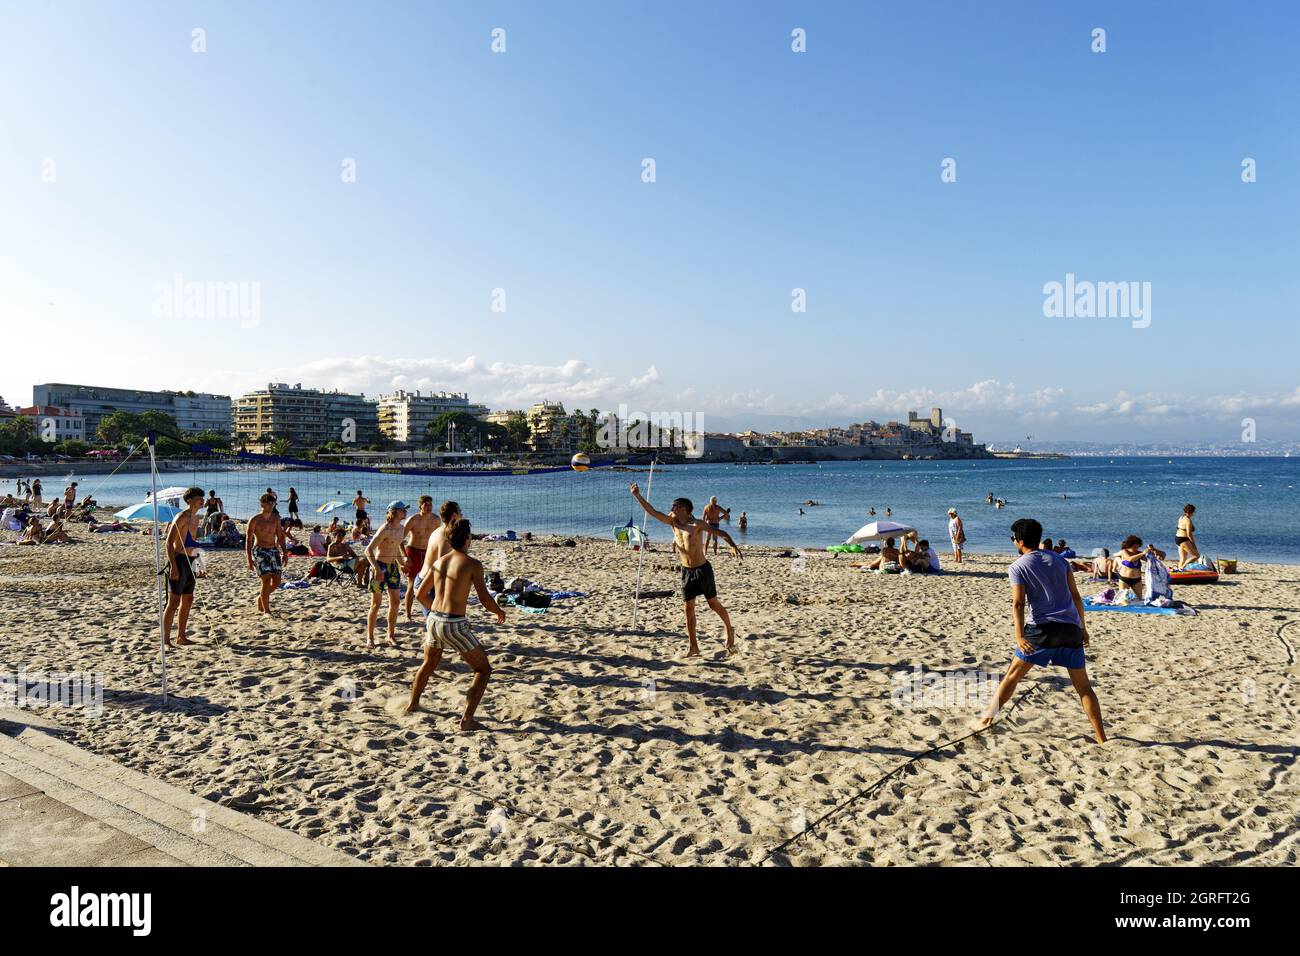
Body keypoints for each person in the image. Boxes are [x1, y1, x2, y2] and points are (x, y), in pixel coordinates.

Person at [981, 517, 1106, 744]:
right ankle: (1101, 737)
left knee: (1012, 676)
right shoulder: (1060, 561)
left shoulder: (1017, 566)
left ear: (1019, 541)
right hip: (1071, 629)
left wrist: (1019, 636)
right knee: (1084, 687)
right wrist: (1082, 627)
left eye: (1013, 539)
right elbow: (1076, 596)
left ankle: (986, 720)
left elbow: (1018, 604)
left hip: (1042, 630)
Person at [405, 518, 504, 731]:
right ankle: (467, 720)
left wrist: (437, 611)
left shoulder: (439, 562)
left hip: (433, 621)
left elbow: (419, 594)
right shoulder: (473, 564)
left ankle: (412, 704)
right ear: (468, 539)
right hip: (454, 624)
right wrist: (499, 611)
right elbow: (485, 599)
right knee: (483, 670)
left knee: (428, 664)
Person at [631, 482, 741, 657]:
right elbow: (651, 511)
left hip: (703, 570)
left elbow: (721, 533)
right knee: (688, 609)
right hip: (686, 571)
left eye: (676, 506)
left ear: (685, 509)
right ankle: (693, 647)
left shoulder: (697, 524)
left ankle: (729, 628)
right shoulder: (672, 522)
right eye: (673, 505)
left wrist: (733, 546)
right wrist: (637, 495)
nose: (672, 507)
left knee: (713, 605)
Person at [162, 487, 205, 647]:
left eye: (203, 497)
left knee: (188, 599)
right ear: (190, 501)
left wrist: (199, 562)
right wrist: (173, 566)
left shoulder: (196, 518)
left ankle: (181, 636)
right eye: (199, 498)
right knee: (173, 602)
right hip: (179, 560)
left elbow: (192, 541)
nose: (202, 500)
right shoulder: (182, 517)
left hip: (191, 560)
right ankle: (166, 640)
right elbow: (169, 542)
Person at [364, 501, 407, 648]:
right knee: (376, 604)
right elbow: (368, 551)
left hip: (392, 568)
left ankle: (390, 635)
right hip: (379, 566)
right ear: (394, 512)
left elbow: (395, 551)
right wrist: (376, 569)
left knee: (395, 602)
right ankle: (370, 638)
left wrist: (402, 564)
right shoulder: (385, 529)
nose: (405, 512)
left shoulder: (401, 529)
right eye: (403, 510)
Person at [414, 501, 462, 616]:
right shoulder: (445, 538)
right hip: (429, 585)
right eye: (460, 512)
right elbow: (441, 571)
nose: (462, 515)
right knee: (436, 623)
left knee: (436, 624)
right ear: (454, 516)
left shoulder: (438, 530)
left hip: (424, 580)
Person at [402, 495, 441, 621]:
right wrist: (404, 557)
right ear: (420, 506)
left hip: (429, 553)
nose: (429, 507)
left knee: (431, 584)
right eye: (426, 505)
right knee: (412, 584)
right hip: (413, 552)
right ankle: (408, 614)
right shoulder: (413, 519)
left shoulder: (436, 519)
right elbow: (399, 540)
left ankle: (432, 611)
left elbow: (439, 539)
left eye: (430, 505)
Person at [246, 493, 286, 614]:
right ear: (262, 504)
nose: (271, 505)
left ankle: (261, 598)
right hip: (260, 550)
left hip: (273, 550)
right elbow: (249, 539)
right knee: (266, 580)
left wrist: (285, 552)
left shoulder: (276, 518)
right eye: (268, 503)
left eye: (272, 503)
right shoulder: (255, 519)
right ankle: (266, 611)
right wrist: (249, 558)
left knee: (277, 581)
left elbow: (280, 536)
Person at [1115, 536, 1165, 600]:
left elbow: (1154, 558)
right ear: (1129, 545)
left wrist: (1153, 549)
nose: (1136, 548)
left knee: (1140, 598)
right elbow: (1130, 559)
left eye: (1138, 547)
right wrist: (1143, 553)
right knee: (1123, 598)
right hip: (1124, 579)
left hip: (1137, 580)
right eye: (1134, 547)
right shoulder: (1124, 551)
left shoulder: (1138, 553)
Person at [1176, 504, 1199, 569]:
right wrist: (1193, 544)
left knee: (1183, 558)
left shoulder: (1181, 517)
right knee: (1196, 556)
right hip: (1183, 539)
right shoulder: (1188, 520)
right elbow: (1189, 534)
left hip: (1177, 538)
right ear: (1192, 512)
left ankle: (1179, 571)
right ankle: (1182, 568)